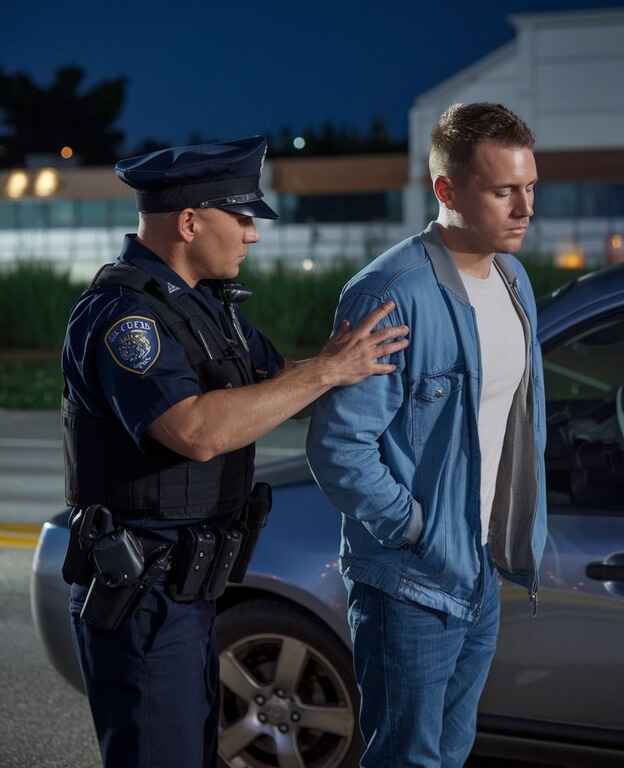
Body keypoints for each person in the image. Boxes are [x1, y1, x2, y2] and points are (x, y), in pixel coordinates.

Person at [61, 135, 410, 768]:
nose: (252, 235)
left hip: (189, 595)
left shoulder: (206, 308)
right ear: (190, 222)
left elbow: (281, 385)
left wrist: (357, 368)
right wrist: (327, 372)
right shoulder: (126, 319)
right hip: (143, 599)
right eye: (242, 217)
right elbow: (197, 431)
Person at [306, 103, 548, 767]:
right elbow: (339, 447)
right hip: (411, 583)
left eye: (531, 187)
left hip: (481, 569)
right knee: (407, 757)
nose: (525, 208)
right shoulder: (391, 291)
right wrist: (415, 528)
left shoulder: (513, 278)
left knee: (452, 750)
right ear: (446, 190)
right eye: (504, 192)